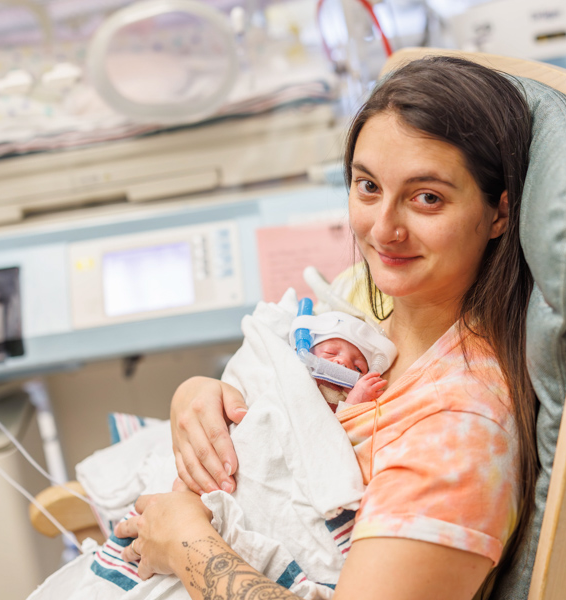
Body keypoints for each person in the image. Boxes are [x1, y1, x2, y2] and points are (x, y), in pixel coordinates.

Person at [115, 55, 538, 600]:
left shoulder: (458, 429)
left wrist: (183, 542)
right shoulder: (369, 301)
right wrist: (203, 399)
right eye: (367, 187)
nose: (382, 229)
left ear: (500, 212)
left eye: (427, 197)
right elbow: (283, 402)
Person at [291, 309, 397, 411]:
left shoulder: (347, 397)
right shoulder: (296, 371)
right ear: (309, 350)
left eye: (358, 368)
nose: (344, 362)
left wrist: (354, 401)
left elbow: (334, 428)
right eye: (330, 353)